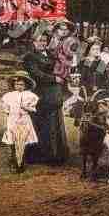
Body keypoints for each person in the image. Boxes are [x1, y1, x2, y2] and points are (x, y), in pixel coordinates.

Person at [23, 31, 70, 165]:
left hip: (53, 94)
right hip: (39, 94)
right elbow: (36, 74)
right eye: (40, 41)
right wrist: (54, 78)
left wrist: (62, 73)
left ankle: (56, 155)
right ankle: (40, 155)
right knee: (41, 124)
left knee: (54, 123)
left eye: (44, 41)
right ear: (34, 42)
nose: (42, 43)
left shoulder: (50, 55)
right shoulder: (29, 57)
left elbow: (59, 67)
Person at [1, 71, 39, 173]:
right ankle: (14, 161)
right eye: (17, 84)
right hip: (13, 120)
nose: (19, 86)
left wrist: (26, 107)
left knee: (22, 141)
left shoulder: (30, 95)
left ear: (26, 85)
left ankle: (20, 164)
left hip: (24, 120)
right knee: (12, 141)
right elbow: (6, 109)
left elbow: (33, 109)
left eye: (21, 84)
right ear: (14, 85)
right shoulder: (9, 96)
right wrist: (9, 114)